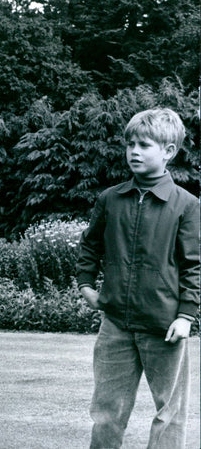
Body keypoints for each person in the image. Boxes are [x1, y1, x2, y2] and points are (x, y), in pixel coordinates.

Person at [76, 108, 199, 449]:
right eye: (130, 143)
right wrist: (86, 284)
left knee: (169, 413)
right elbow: (90, 244)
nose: (134, 151)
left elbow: (194, 266)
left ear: (169, 151)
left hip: (165, 326)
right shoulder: (110, 199)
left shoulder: (186, 205)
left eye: (144, 144)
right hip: (115, 324)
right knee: (106, 411)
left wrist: (186, 316)